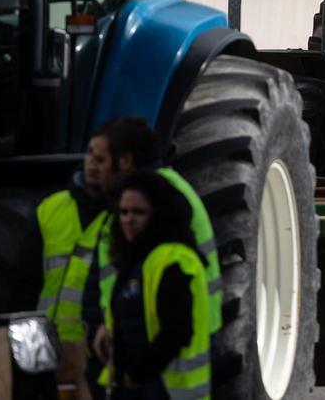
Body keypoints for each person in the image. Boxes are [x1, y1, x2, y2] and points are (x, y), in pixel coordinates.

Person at [85, 118, 223, 387]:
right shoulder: (145, 196)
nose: (94, 169)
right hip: (148, 333)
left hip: (166, 339)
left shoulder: (162, 198)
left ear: (124, 161)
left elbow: (170, 312)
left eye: (101, 161)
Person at [94, 170, 210, 400]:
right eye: (124, 212)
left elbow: (176, 332)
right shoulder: (135, 260)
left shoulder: (174, 259)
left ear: (159, 214)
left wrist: (135, 376)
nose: (129, 219)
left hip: (164, 390)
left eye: (139, 212)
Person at [35, 121, 121, 398]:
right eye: (89, 156)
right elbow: (25, 282)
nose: (93, 165)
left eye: (101, 159)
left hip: (97, 353)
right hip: (47, 350)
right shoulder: (51, 208)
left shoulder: (127, 216)